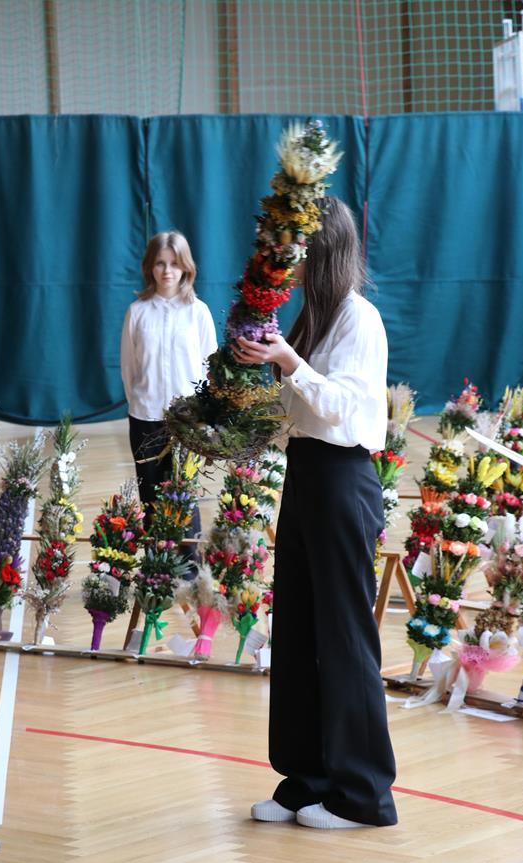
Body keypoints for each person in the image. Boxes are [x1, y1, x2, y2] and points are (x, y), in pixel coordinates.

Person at [234, 196, 397, 830]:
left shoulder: (360, 318)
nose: (285, 258)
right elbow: (298, 411)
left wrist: (287, 361)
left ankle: (363, 795)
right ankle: (308, 778)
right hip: (305, 474)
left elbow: (341, 408)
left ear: (322, 248)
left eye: (296, 246)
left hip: (342, 479)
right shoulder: (313, 316)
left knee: (345, 636)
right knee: (299, 630)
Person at [121, 231, 217, 541]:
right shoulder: (137, 312)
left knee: (184, 497)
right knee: (150, 498)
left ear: (186, 267)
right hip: (145, 419)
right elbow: (129, 369)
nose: (167, 271)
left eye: (175, 263)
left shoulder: (198, 312)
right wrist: (143, 402)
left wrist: (202, 416)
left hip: (186, 422)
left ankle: (189, 564)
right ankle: (155, 563)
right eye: (160, 263)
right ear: (149, 266)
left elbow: (209, 368)